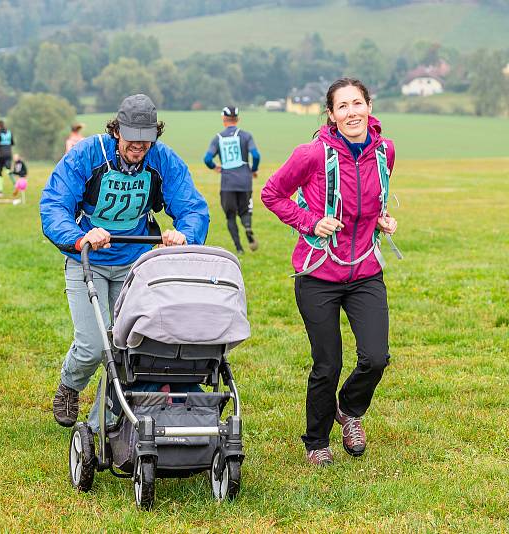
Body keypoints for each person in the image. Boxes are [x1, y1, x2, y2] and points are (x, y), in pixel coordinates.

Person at [40, 94, 210, 431]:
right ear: (117, 131)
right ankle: (70, 386)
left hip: (135, 263)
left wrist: (184, 234)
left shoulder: (162, 160)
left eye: (146, 138)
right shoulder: (89, 154)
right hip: (86, 258)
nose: (139, 145)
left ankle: (111, 417)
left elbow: (192, 206)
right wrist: (80, 237)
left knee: (128, 344)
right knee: (92, 344)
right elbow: (54, 205)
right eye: (132, 136)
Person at [261, 78, 398, 467]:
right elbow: (271, 194)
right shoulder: (312, 154)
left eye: (358, 103)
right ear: (331, 114)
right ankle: (316, 441)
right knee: (328, 363)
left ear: (369, 107)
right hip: (318, 274)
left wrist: (382, 219)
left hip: (365, 271)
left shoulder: (385, 152)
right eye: (343, 106)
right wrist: (310, 222)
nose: (352, 112)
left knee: (375, 357)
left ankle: (349, 410)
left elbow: (374, 198)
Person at [204, 106, 261, 255]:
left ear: (223, 120)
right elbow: (255, 155)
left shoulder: (218, 138)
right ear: (238, 119)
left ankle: (239, 249)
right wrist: (253, 170)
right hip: (245, 182)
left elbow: (207, 158)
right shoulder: (246, 136)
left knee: (230, 216)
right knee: (245, 211)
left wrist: (215, 167)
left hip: (227, 183)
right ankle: (247, 227)